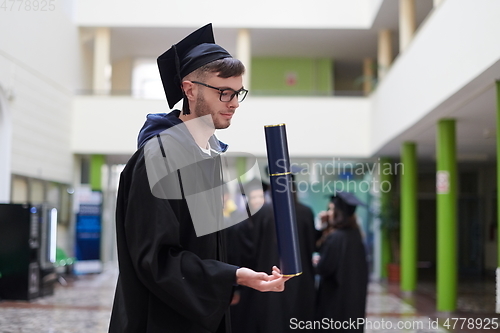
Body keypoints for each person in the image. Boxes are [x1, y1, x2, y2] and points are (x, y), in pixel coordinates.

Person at [108, 24, 290, 333]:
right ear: (190, 89)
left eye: (238, 93)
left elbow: (203, 241)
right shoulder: (159, 157)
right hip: (161, 319)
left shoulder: (206, 155)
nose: (233, 103)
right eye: (224, 92)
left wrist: (240, 271)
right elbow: (157, 260)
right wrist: (232, 276)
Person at [315, 191, 369, 333]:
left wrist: (317, 263)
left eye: (332, 209)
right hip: (353, 298)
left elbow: (324, 268)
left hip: (335, 300)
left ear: (339, 213)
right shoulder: (356, 235)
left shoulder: (336, 238)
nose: (329, 212)